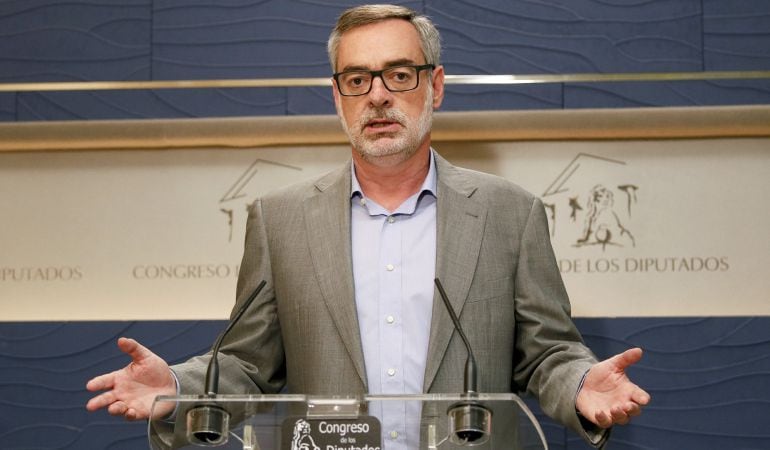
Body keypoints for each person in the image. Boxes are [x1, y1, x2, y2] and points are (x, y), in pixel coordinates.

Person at [86, 4, 649, 448]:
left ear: (436, 86)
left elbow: (546, 353)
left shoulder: (511, 212)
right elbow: (247, 363)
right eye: (356, 80)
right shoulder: (279, 219)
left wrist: (578, 384)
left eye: (399, 75)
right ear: (337, 96)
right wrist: (181, 389)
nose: (377, 96)